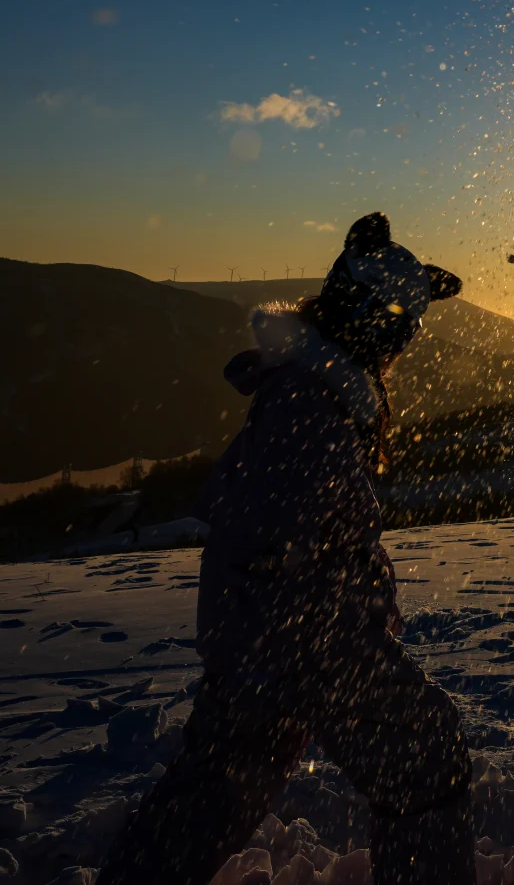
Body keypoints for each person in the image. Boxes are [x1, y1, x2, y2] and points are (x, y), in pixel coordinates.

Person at [99, 212, 475, 885]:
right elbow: (293, 550)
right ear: (373, 320)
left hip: (262, 640)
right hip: (300, 642)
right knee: (425, 751)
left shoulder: (312, 393)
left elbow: (288, 540)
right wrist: (338, 648)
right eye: (404, 329)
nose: (406, 346)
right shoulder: (313, 406)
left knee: (216, 789)